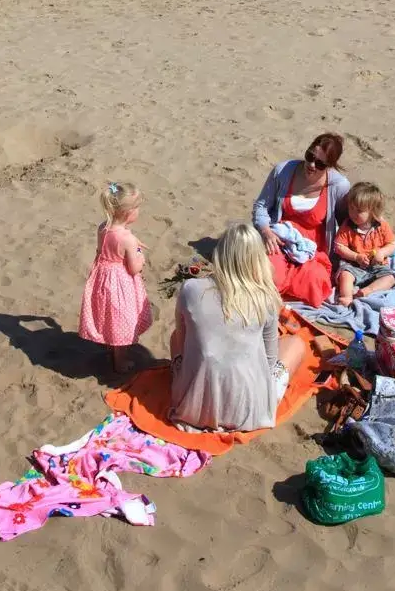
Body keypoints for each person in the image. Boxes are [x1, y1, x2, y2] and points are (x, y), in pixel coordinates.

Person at [169, 222, 306, 433]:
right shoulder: (265, 298)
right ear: (258, 259)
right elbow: (269, 361)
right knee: (295, 344)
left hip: (192, 408)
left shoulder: (191, 289)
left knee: (176, 337)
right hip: (248, 411)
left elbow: (182, 337)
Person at [252, 133, 350, 307]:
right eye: (309, 156)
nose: (311, 165)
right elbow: (261, 206)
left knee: (314, 281)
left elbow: (346, 224)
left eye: (320, 164)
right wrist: (266, 231)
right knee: (268, 273)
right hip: (279, 239)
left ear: (330, 166)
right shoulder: (283, 171)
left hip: (313, 249)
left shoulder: (338, 186)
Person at [79, 182, 152, 372]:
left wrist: (133, 241)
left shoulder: (103, 227)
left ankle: (111, 347)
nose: (139, 211)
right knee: (122, 319)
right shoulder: (126, 239)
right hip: (120, 282)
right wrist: (139, 254)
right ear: (128, 213)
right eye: (137, 208)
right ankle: (121, 363)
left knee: (110, 314)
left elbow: (105, 247)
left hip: (102, 277)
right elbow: (135, 268)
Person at [334, 181, 395, 306]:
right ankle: (346, 297)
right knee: (345, 275)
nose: (353, 213)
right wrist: (355, 257)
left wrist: (382, 252)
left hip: (376, 266)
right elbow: (339, 246)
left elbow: (392, 244)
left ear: (372, 212)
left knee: (391, 278)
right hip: (354, 266)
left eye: (359, 211)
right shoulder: (347, 226)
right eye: (351, 208)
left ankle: (368, 290)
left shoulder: (381, 225)